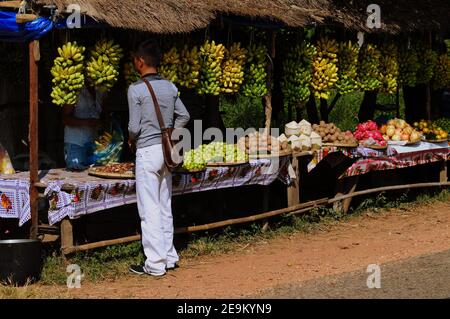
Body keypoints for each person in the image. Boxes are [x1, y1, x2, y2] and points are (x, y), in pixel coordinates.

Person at [128, 40, 190, 277]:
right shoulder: (170, 86)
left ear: (141, 62)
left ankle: (154, 263)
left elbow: (134, 126)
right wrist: (172, 133)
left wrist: (131, 138)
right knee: (164, 204)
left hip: (147, 151)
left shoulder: (136, 89)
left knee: (149, 208)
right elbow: (184, 115)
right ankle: (170, 256)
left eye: (135, 59)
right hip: (167, 151)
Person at [63, 82, 108, 171]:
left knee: (95, 177)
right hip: (76, 143)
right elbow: (65, 119)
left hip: (94, 144)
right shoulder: (75, 89)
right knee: (76, 176)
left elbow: (103, 114)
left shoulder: (100, 90)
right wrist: (87, 122)